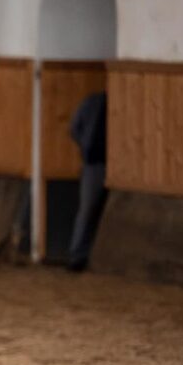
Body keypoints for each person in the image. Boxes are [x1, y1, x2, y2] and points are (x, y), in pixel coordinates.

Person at [67, 91, 108, 272]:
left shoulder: (95, 102)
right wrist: (85, 146)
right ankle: (77, 256)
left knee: (88, 210)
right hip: (95, 163)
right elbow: (74, 128)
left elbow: (74, 128)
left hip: (98, 162)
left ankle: (79, 254)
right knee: (87, 209)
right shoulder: (93, 102)